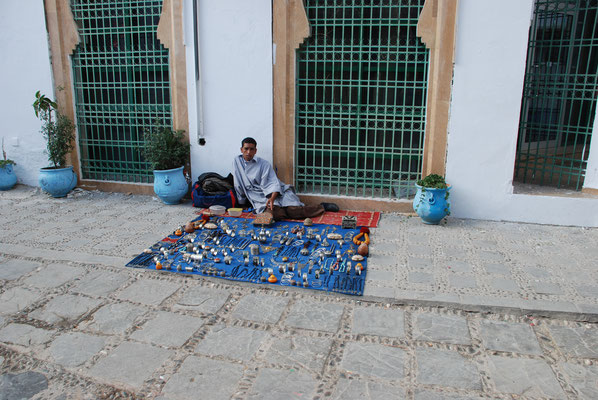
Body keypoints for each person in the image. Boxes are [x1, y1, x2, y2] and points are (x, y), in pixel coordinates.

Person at [232, 137, 338, 221]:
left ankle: (321, 207)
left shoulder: (263, 164)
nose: (248, 152)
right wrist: (242, 203)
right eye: (246, 149)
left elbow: (272, 183)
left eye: (251, 149)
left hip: (275, 194)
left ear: (256, 151)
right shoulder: (237, 162)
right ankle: (286, 211)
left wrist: (272, 198)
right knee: (273, 213)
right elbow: (238, 184)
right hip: (258, 198)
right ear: (241, 150)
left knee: (294, 210)